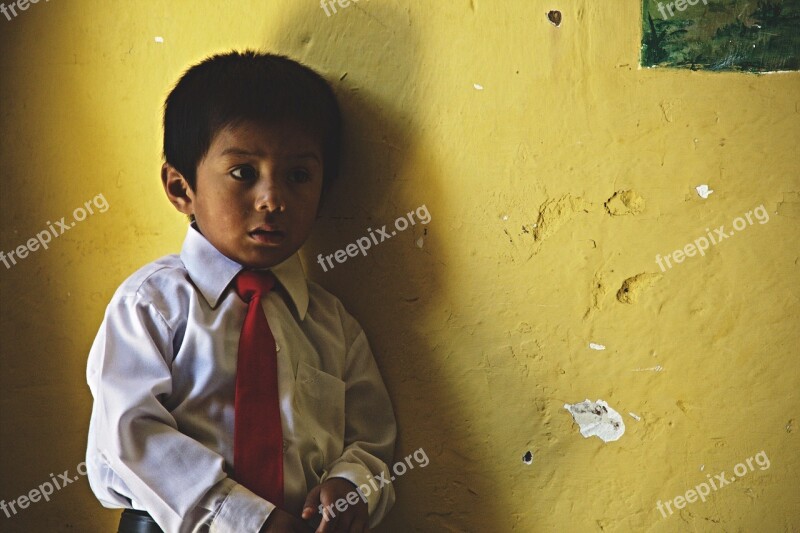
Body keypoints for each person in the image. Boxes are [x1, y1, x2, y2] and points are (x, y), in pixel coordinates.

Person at [85, 50, 397, 533]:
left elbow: (372, 441)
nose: (272, 199)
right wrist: (249, 520)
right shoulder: (151, 307)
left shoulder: (333, 326)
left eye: (298, 176)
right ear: (180, 188)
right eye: (243, 173)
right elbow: (130, 434)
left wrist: (351, 485)